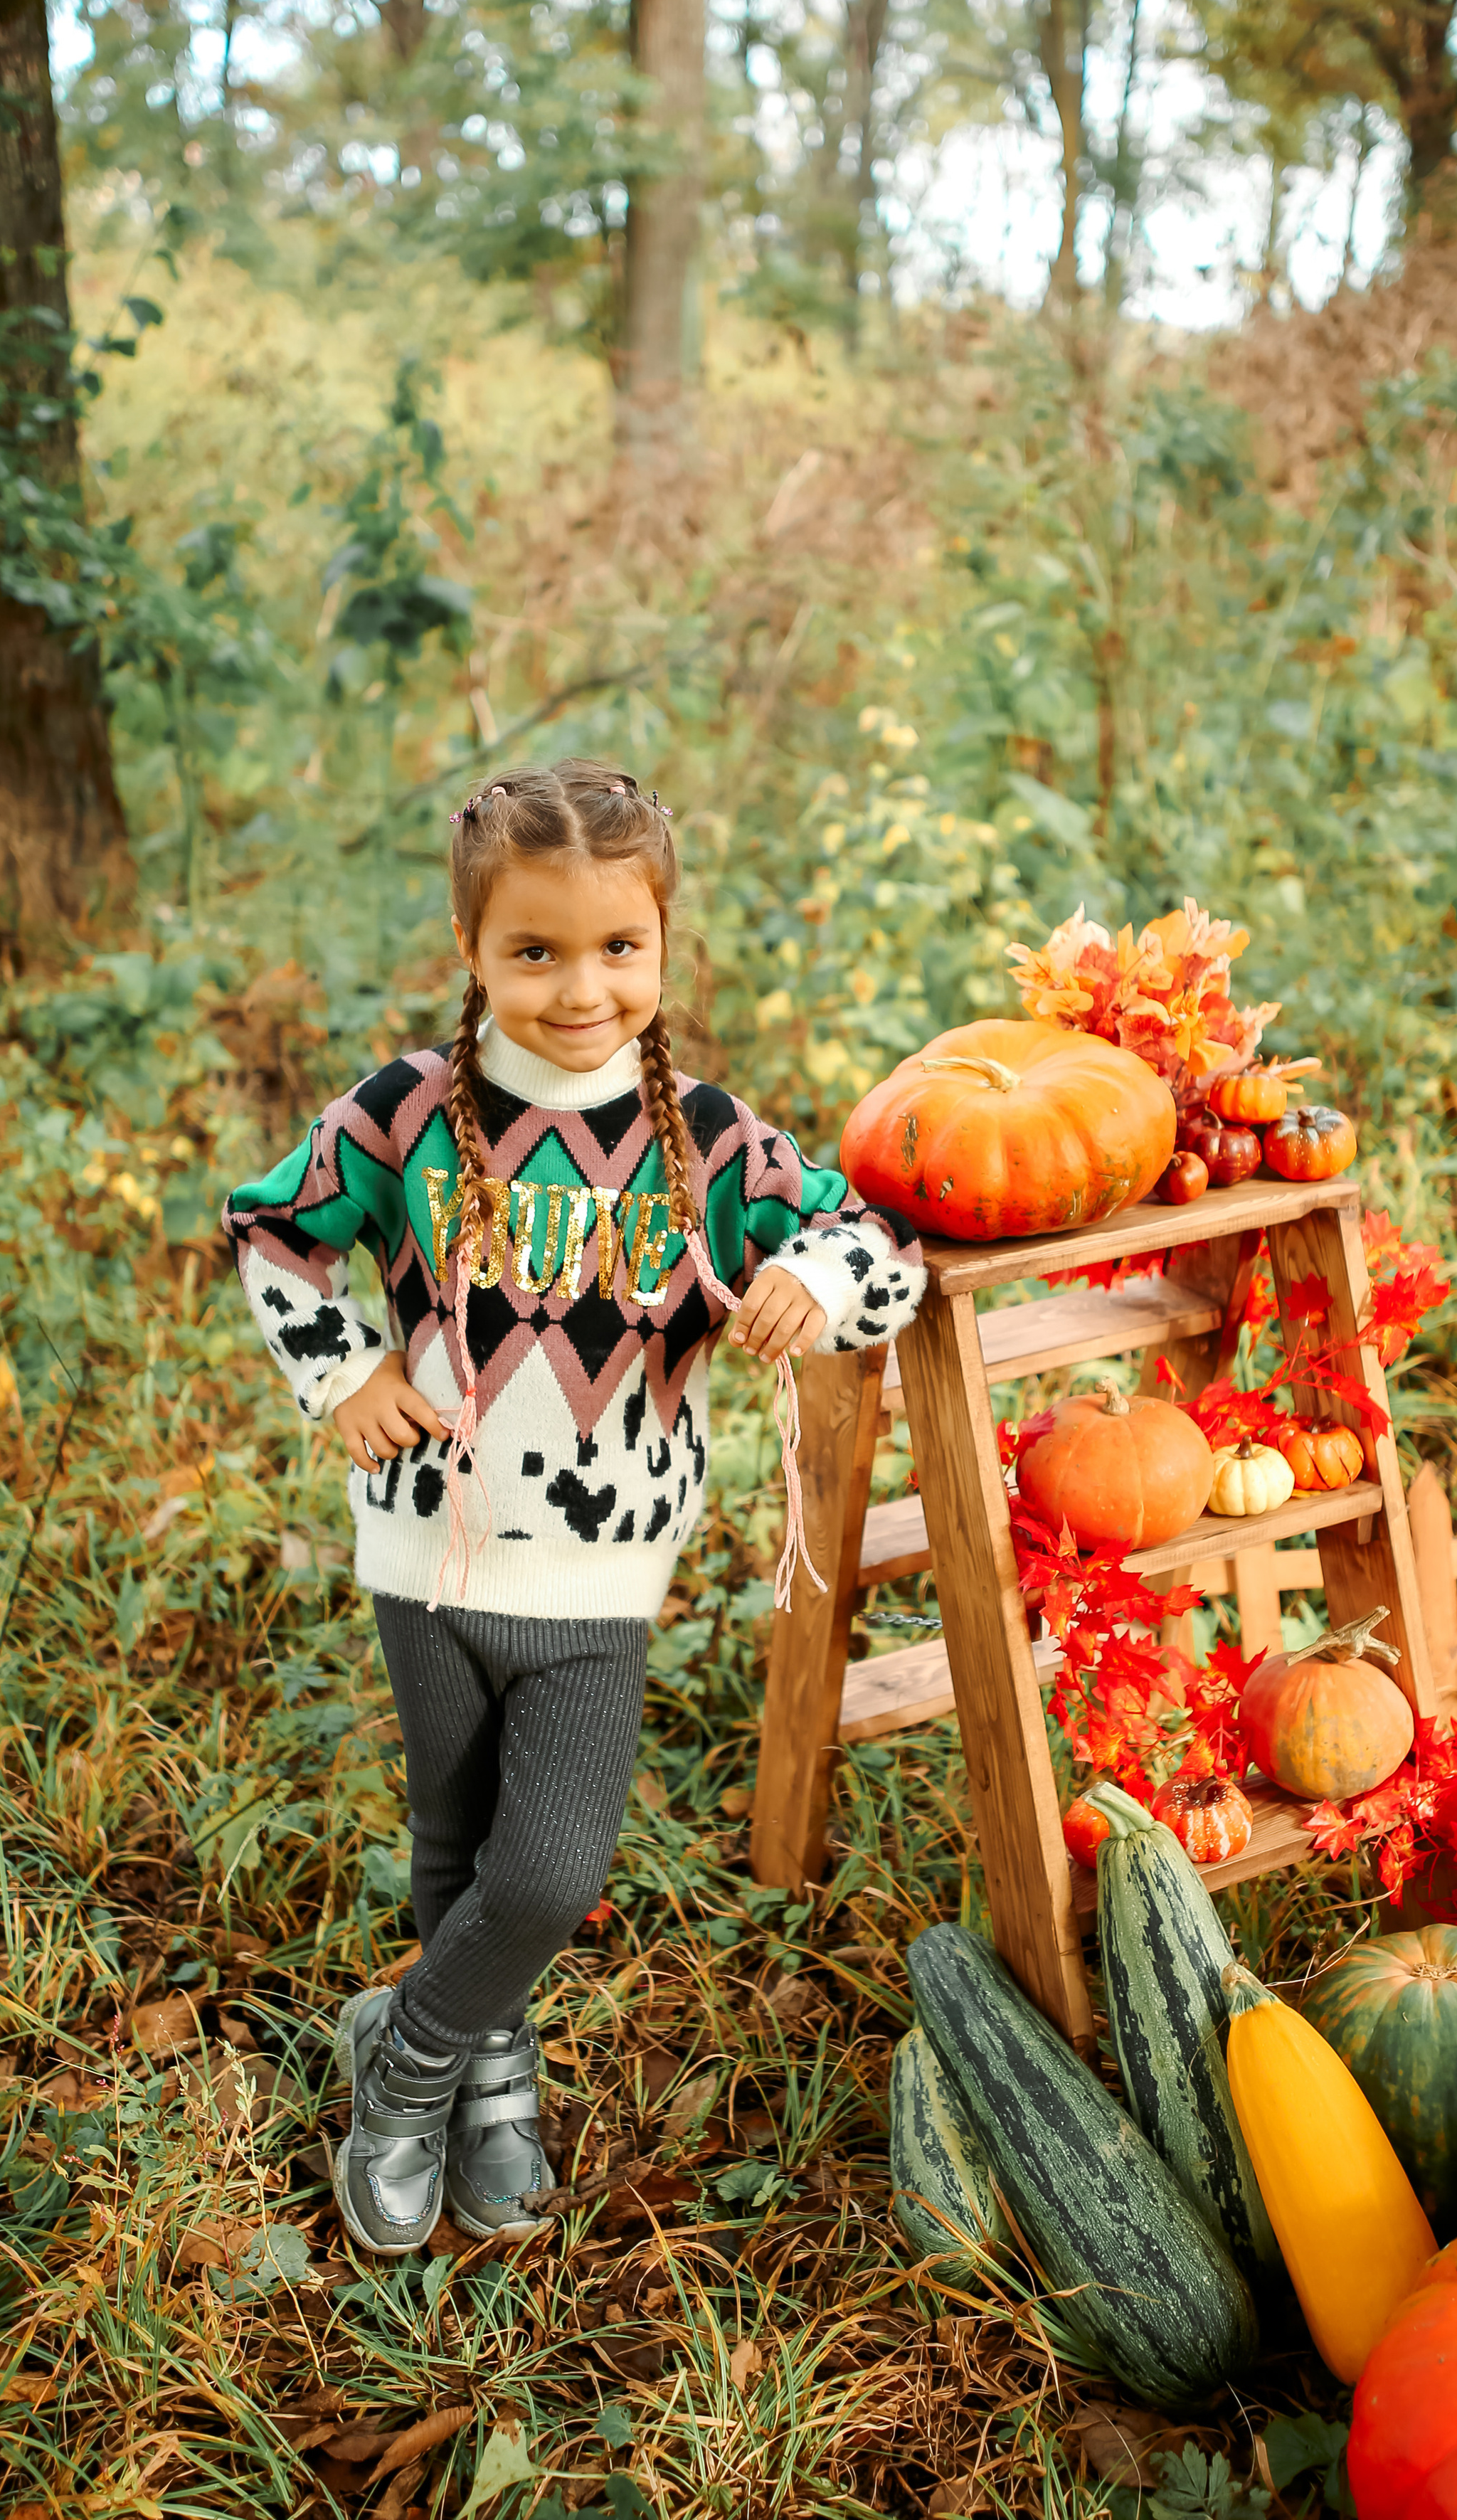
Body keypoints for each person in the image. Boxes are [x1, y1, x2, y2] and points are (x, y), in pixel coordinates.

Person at [221, 759, 926, 2256]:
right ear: (472, 951)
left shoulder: (709, 1143)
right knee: (452, 1838)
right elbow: (274, 1228)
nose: (579, 988)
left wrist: (806, 1275)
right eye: (532, 951)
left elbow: (881, 1245)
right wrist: (343, 1373)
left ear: (663, 947)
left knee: (548, 1868)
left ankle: (402, 2053)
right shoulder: (412, 1110)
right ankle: (487, 2075)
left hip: (599, 1579)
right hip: (423, 1550)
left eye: (618, 948)